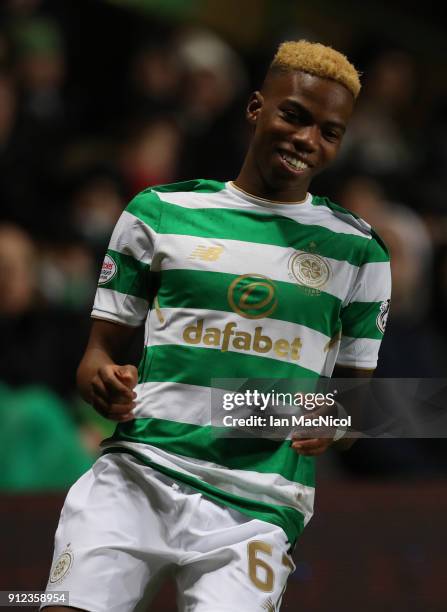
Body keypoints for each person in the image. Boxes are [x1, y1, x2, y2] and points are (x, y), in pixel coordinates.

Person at [42, 40, 391, 612]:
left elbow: (354, 406)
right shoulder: (158, 213)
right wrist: (103, 382)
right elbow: (95, 360)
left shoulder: (360, 253)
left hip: (257, 508)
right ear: (256, 109)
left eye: (329, 132)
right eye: (294, 116)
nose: (307, 140)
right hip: (138, 476)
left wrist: (335, 421)